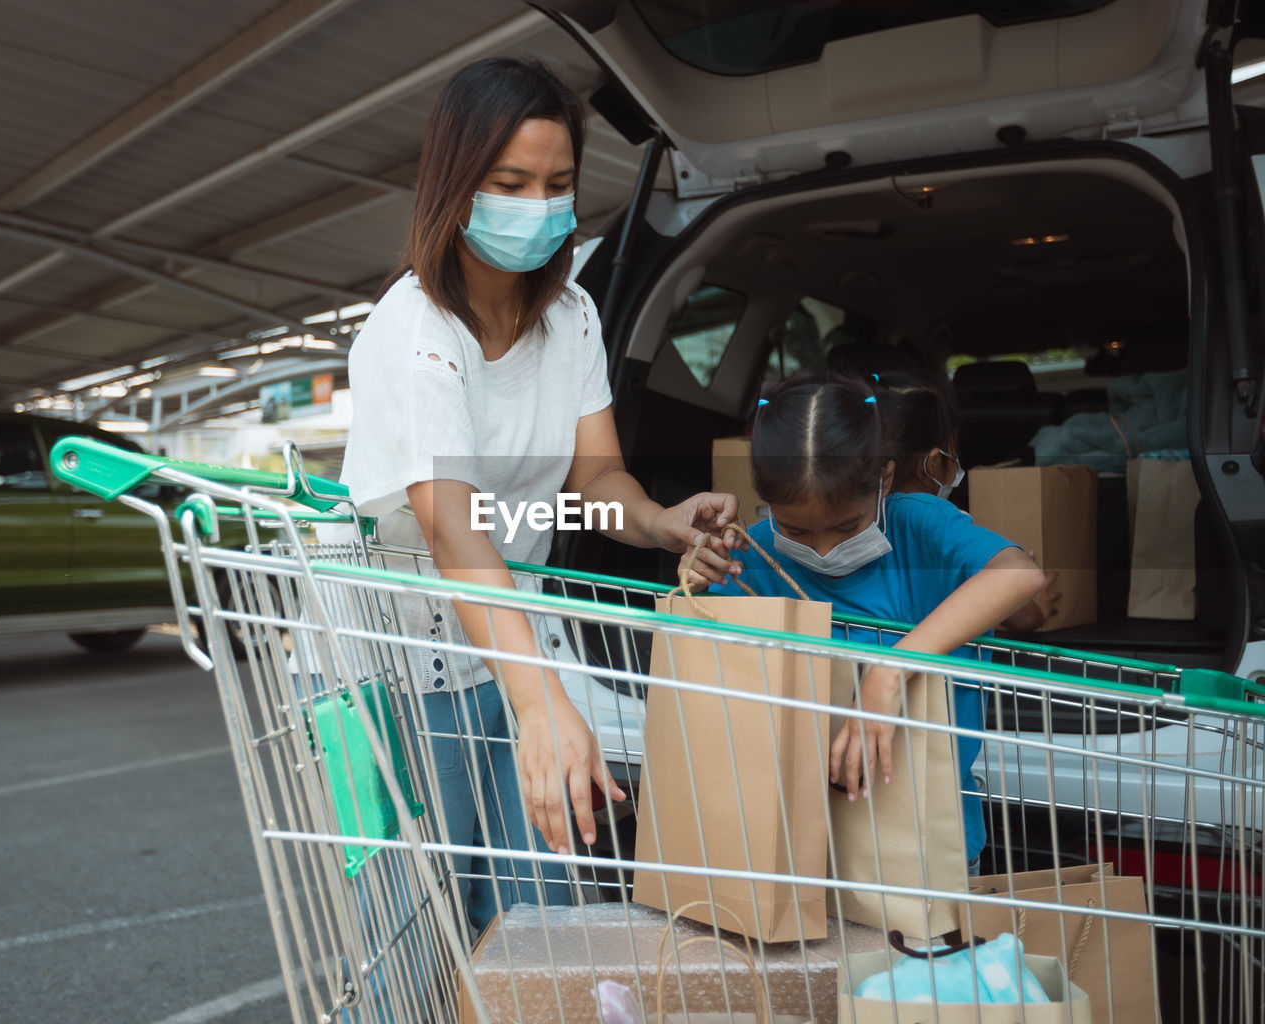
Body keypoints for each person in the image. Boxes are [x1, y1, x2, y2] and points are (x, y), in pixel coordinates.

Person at [333, 56, 738, 937]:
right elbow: (452, 524)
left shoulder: (573, 320)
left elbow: (593, 478)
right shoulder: (414, 330)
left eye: (557, 184)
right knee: (416, 934)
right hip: (396, 664)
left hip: (510, 639)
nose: (537, 205)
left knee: (539, 916)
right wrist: (543, 703)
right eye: (509, 182)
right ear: (455, 182)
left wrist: (661, 524)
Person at [686, 372, 1046, 873]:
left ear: (886, 480)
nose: (824, 548)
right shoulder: (756, 553)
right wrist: (697, 578)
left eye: (846, 526)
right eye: (795, 529)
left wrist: (889, 670)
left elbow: (1019, 576)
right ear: (764, 503)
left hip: (926, 842)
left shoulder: (920, 525)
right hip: (788, 842)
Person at [874, 370, 1061, 631]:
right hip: (945, 671)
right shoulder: (938, 520)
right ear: (932, 463)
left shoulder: (854, 517)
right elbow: (1023, 616)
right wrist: (1038, 608)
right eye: (953, 452)